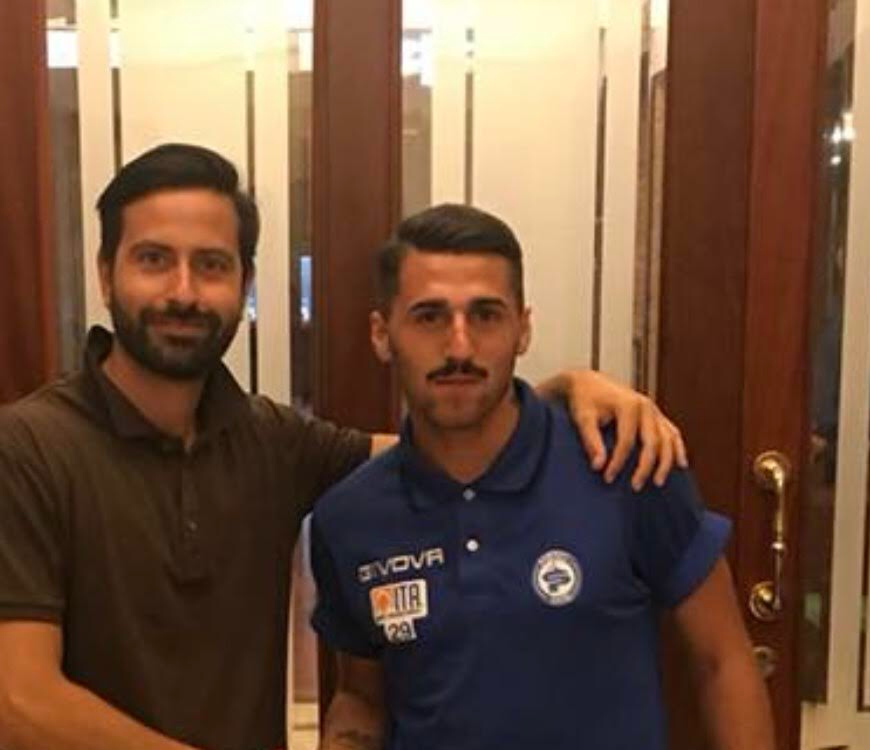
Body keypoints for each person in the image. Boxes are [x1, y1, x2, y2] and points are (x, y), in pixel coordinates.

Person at [0, 144, 688, 750]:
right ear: (105, 275)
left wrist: (564, 392)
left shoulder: (271, 442)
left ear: (243, 284)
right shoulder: (28, 449)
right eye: (153, 259)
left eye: (212, 265)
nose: (184, 292)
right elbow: (23, 709)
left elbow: (455, 441)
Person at [309, 204, 773, 750]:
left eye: (486, 315)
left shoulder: (624, 462)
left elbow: (723, 661)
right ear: (382, 334)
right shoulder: (350, 518)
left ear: (523, 329)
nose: (459, 347)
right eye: (429, 317)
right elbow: (363, 697)